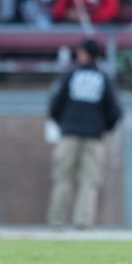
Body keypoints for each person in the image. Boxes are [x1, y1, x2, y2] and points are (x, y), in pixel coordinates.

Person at [47, 38, 122, 229]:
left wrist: (63, 124)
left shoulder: (71, 74)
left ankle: (57, 220)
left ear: (85, 53)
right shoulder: (104, 78)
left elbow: (55, 104)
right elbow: (114, 110)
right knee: (89, 180)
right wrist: (103, 128)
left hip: (69, 134)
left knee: (62, 178)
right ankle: (83, 221)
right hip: (94, 136)